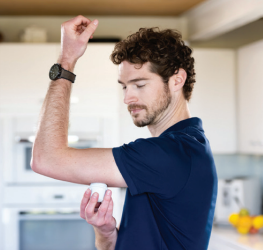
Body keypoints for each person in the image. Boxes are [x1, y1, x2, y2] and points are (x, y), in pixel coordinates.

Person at [31, 15, 217, 250]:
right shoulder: (185, 146)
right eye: (124, 86)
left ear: (177, 80)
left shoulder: (171, 154)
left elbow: (45, 159)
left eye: (139, 85)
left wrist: (66, 60)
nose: (127, 98)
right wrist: (105, 231)